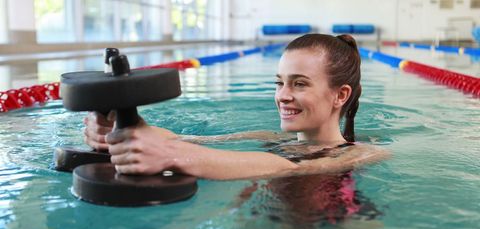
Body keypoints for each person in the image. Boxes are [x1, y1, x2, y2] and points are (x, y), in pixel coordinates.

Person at [83, 33, 389, 180]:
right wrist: (126, 130)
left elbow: (294, 168)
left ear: (340, 95)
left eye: (300, 83)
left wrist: (172, 155)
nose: (282, 95)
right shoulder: (272, 139)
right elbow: (187, 140)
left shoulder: (363, 153)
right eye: (279, 82)